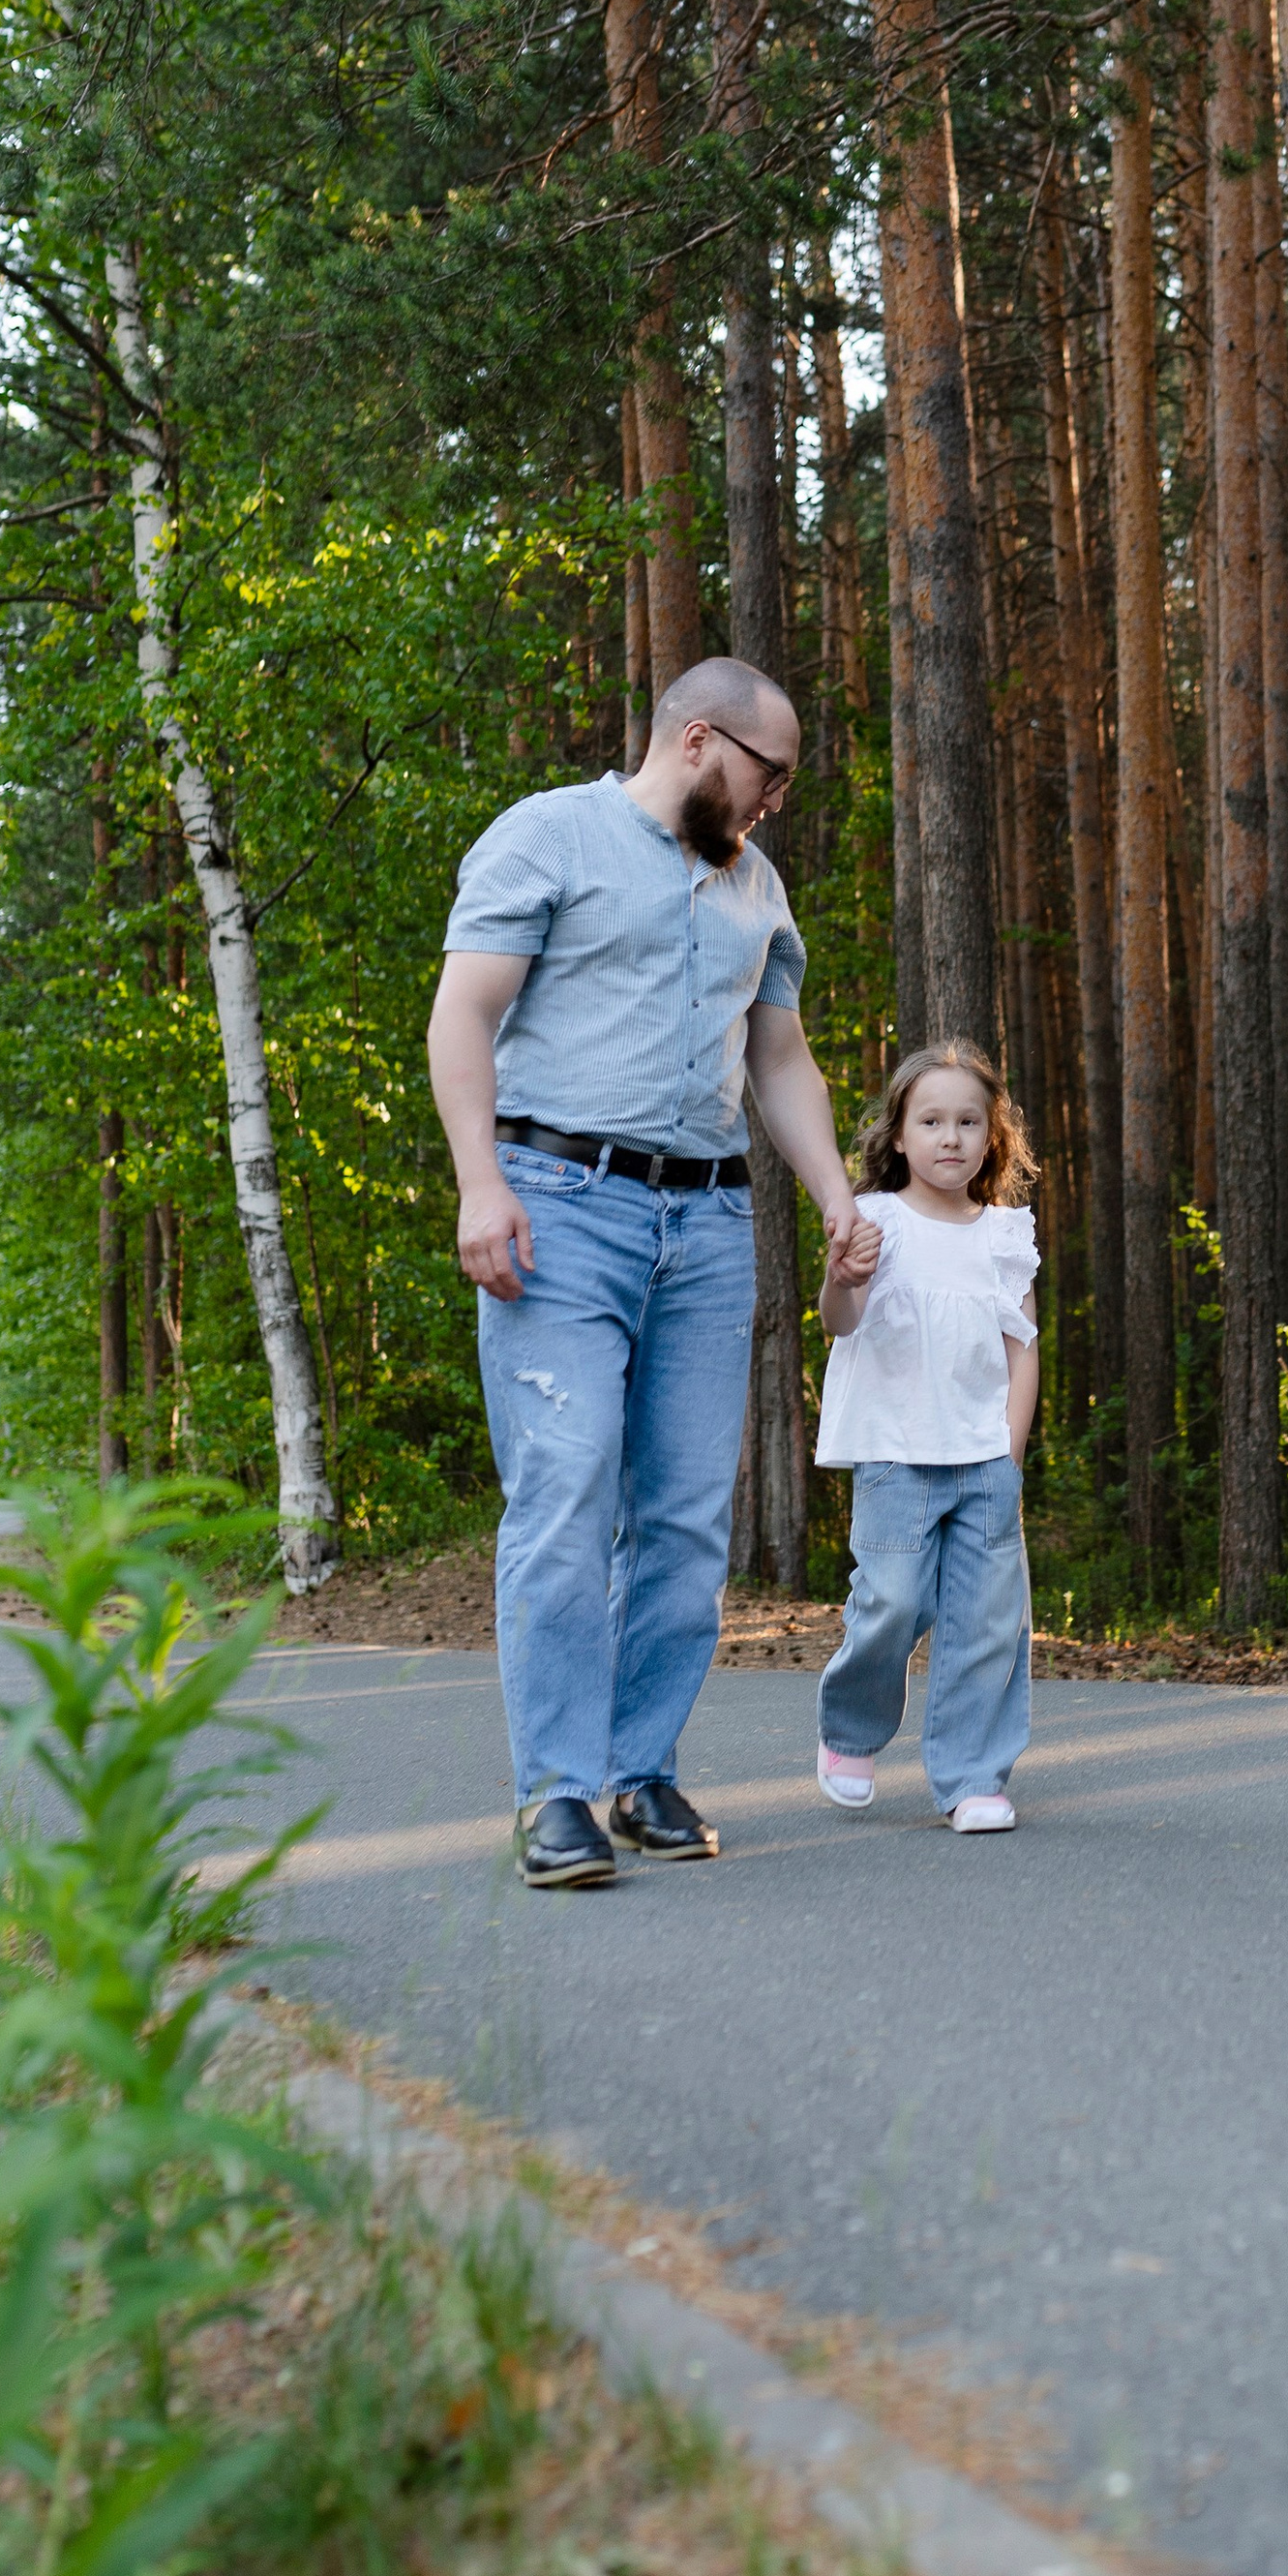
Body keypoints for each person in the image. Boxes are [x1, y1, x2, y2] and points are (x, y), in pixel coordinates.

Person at [427, 657, 856, 1891]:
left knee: (682, 1513)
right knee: (565, 1487)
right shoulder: (549, 836)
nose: (776, 799)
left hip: (708, 1225)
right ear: (700, 739)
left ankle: (640, 1768)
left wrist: (836, 1197)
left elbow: (779, 1059)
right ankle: (555, 1793)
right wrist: (478, 1182)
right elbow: (463, 1015)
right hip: (558, 1206)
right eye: (770, 773)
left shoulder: (755, 885)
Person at [811, 1040, 1040, 1834]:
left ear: (991, 1137)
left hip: (983, 1459)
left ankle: (973, 1776)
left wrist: (1009, 1455)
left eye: (969, 1121)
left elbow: (1023, 1349)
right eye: (932, 1121)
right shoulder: (875, 1219)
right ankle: (850, 1733)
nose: (951, 1136)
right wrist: (842, 1277)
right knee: (892, 1600)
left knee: (986, 1623)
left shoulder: (1005, 1234)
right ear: (900, 1136)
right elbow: (840, 1323)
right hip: (896, 1455)